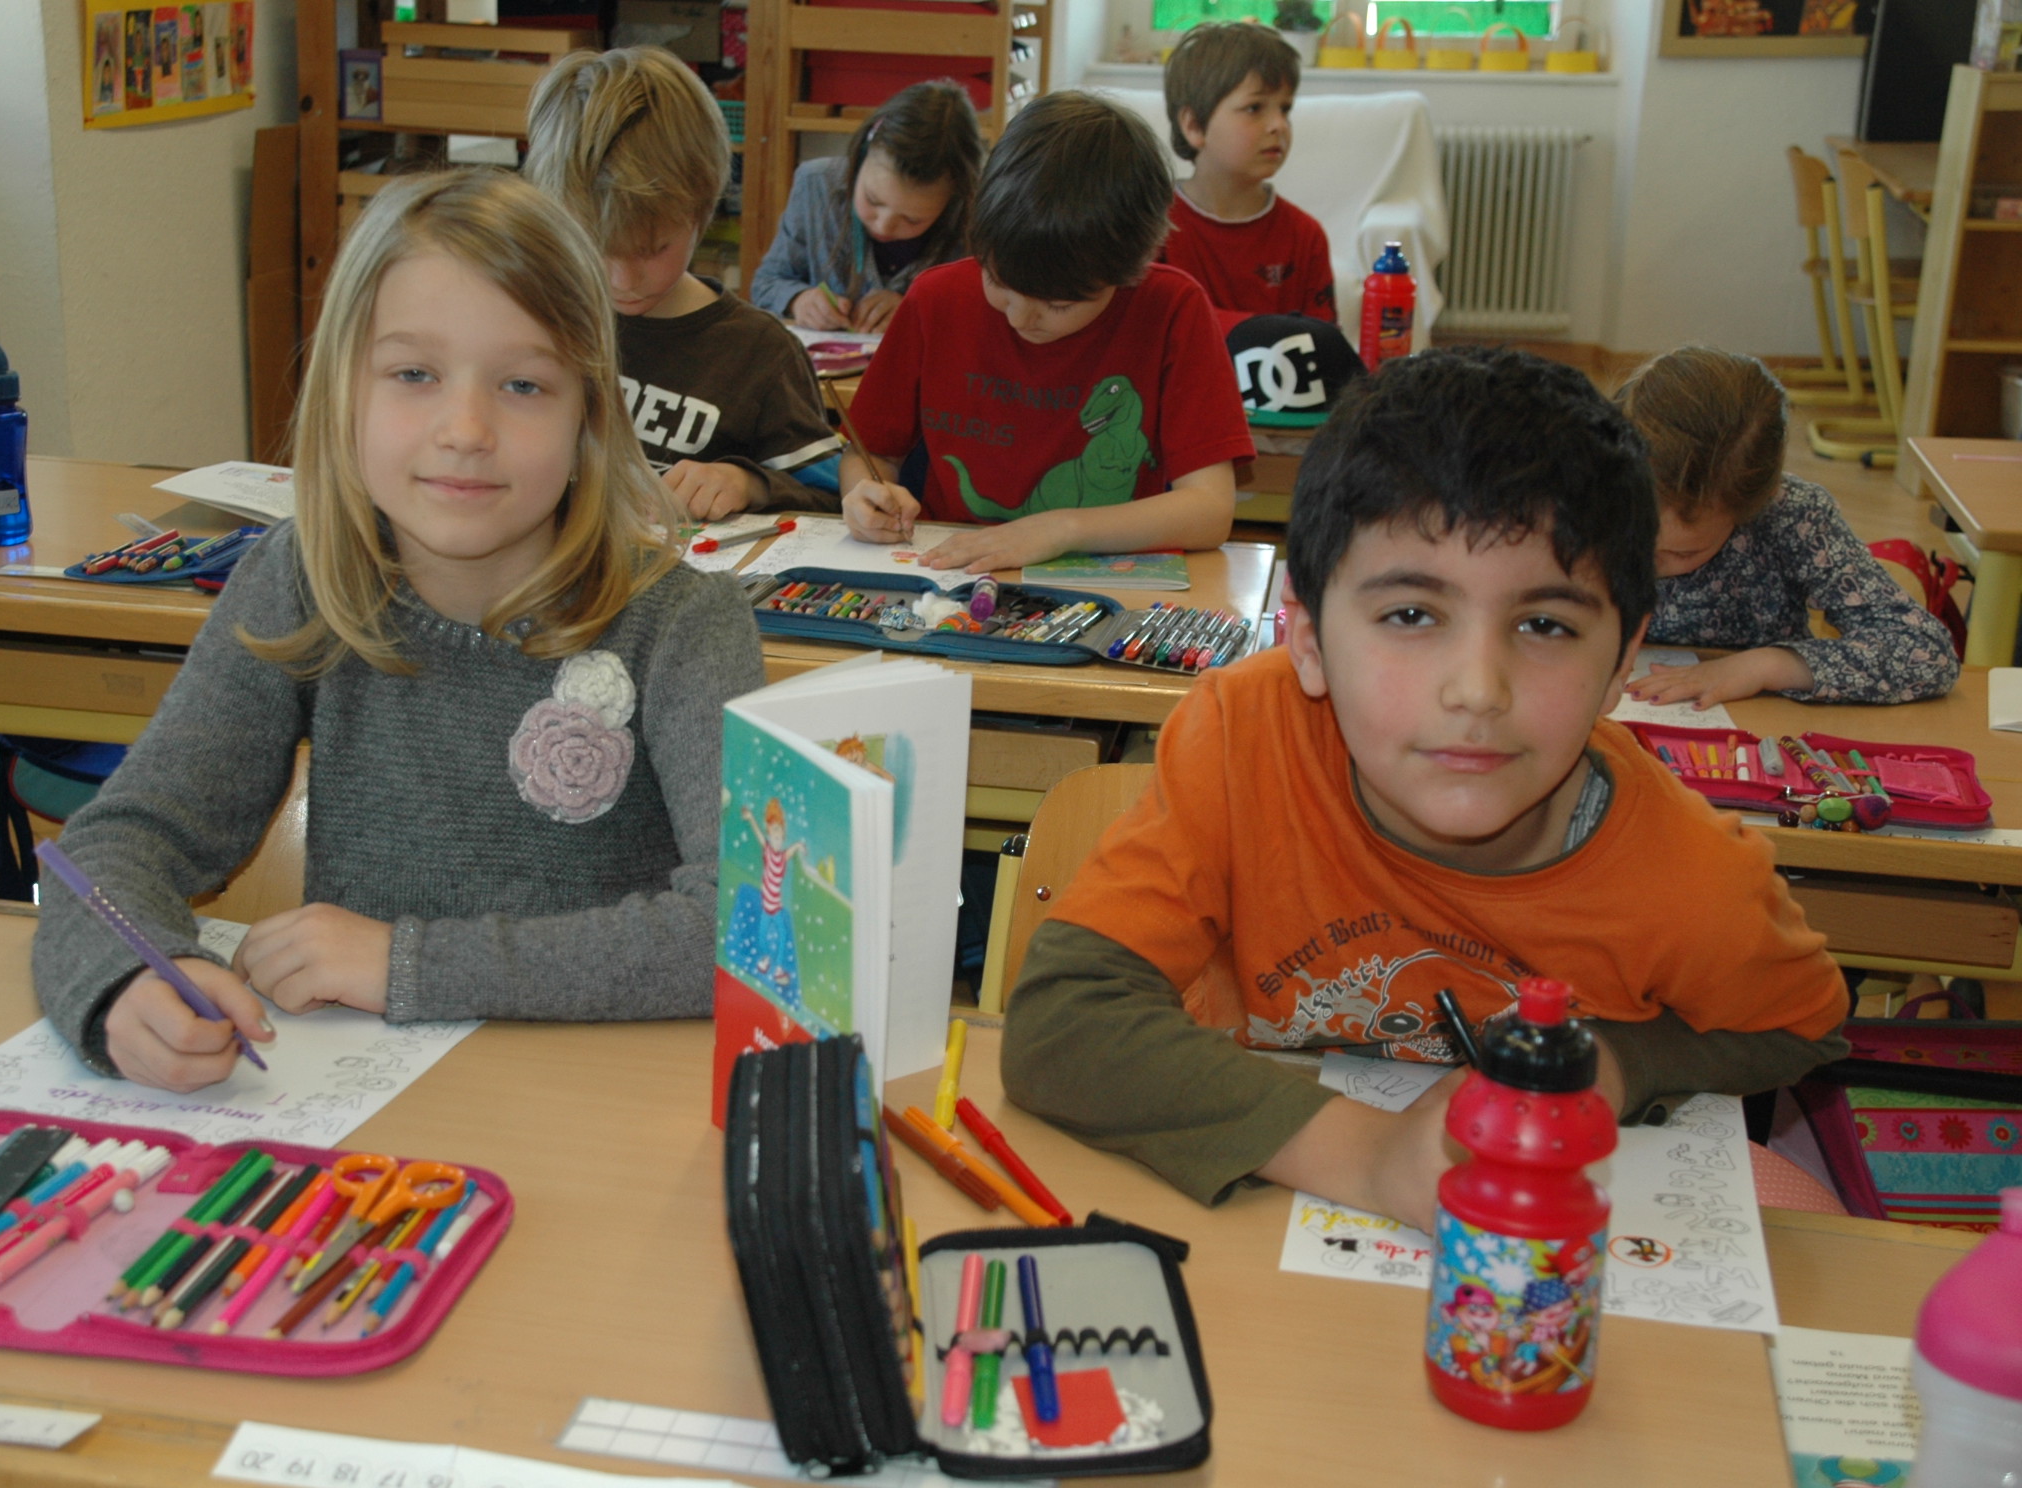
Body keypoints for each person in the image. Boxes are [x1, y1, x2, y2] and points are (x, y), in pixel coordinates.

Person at [1000, 346, 1849, 1232]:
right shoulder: (1246, 739)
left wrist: (1617, 1062)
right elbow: (1063, 1019)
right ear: (1308, 641)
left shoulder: (1689, 876)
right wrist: (1372, 1159)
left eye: (1545, 624)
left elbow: (1804, 1026)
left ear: (1622, 662)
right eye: (1411, 615)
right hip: (1266, 1212)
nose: (1477, 690)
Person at [32, 169, 766, 1093]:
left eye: (525, 384)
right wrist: (125, 982)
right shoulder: (303, 578)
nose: (465, 429)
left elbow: (749, 926)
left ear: (588, 413)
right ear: (347, 389)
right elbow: (120, 842)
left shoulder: (684, 626)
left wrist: (410, 964)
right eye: (414, 374)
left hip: (596, 1110)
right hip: (366, 1107)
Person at [839, 91, 1254, 574]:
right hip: (949, 572)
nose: (1020, 318)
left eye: (1058, 305)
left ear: (1130, 270)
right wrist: (864, 495)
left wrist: (1061, 530)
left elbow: (1210, 509)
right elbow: (870, 454)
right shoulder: (935, 300)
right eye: (998, 283)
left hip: (1102, 578)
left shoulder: (1172, 311)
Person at [523, 47, 843, 520]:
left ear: (701, 211)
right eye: (594, 245)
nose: (623, 280)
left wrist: (749, 484)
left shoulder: (759, 353)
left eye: (652, 249)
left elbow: (833, 498)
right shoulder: (531, 318)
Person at [1615, 345, 1959, 707]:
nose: (1645, 564)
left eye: (1683, 552)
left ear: (1754, 505)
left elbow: (1927, 654)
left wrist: (1768, 666)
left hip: (1757, 724)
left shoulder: (1793, 517)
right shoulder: (1583, 497)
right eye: (1629, 536)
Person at [750, 79, 985, 333]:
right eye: (873, 200)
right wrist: (798, 300)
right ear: (862, 154)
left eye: (912, 219)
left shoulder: (975, 217)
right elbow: (766, 283)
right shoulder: (816, 184)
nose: (884, 226)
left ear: (954, 200)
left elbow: (990, 315)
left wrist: (919, 309)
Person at [1158, 22, 1334, 330]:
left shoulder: (1305, 236)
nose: (1279, 125)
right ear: (1194, 126)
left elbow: (1324, 345)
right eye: (1254, 108)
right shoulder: (1151, 228)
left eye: (1285, 109)